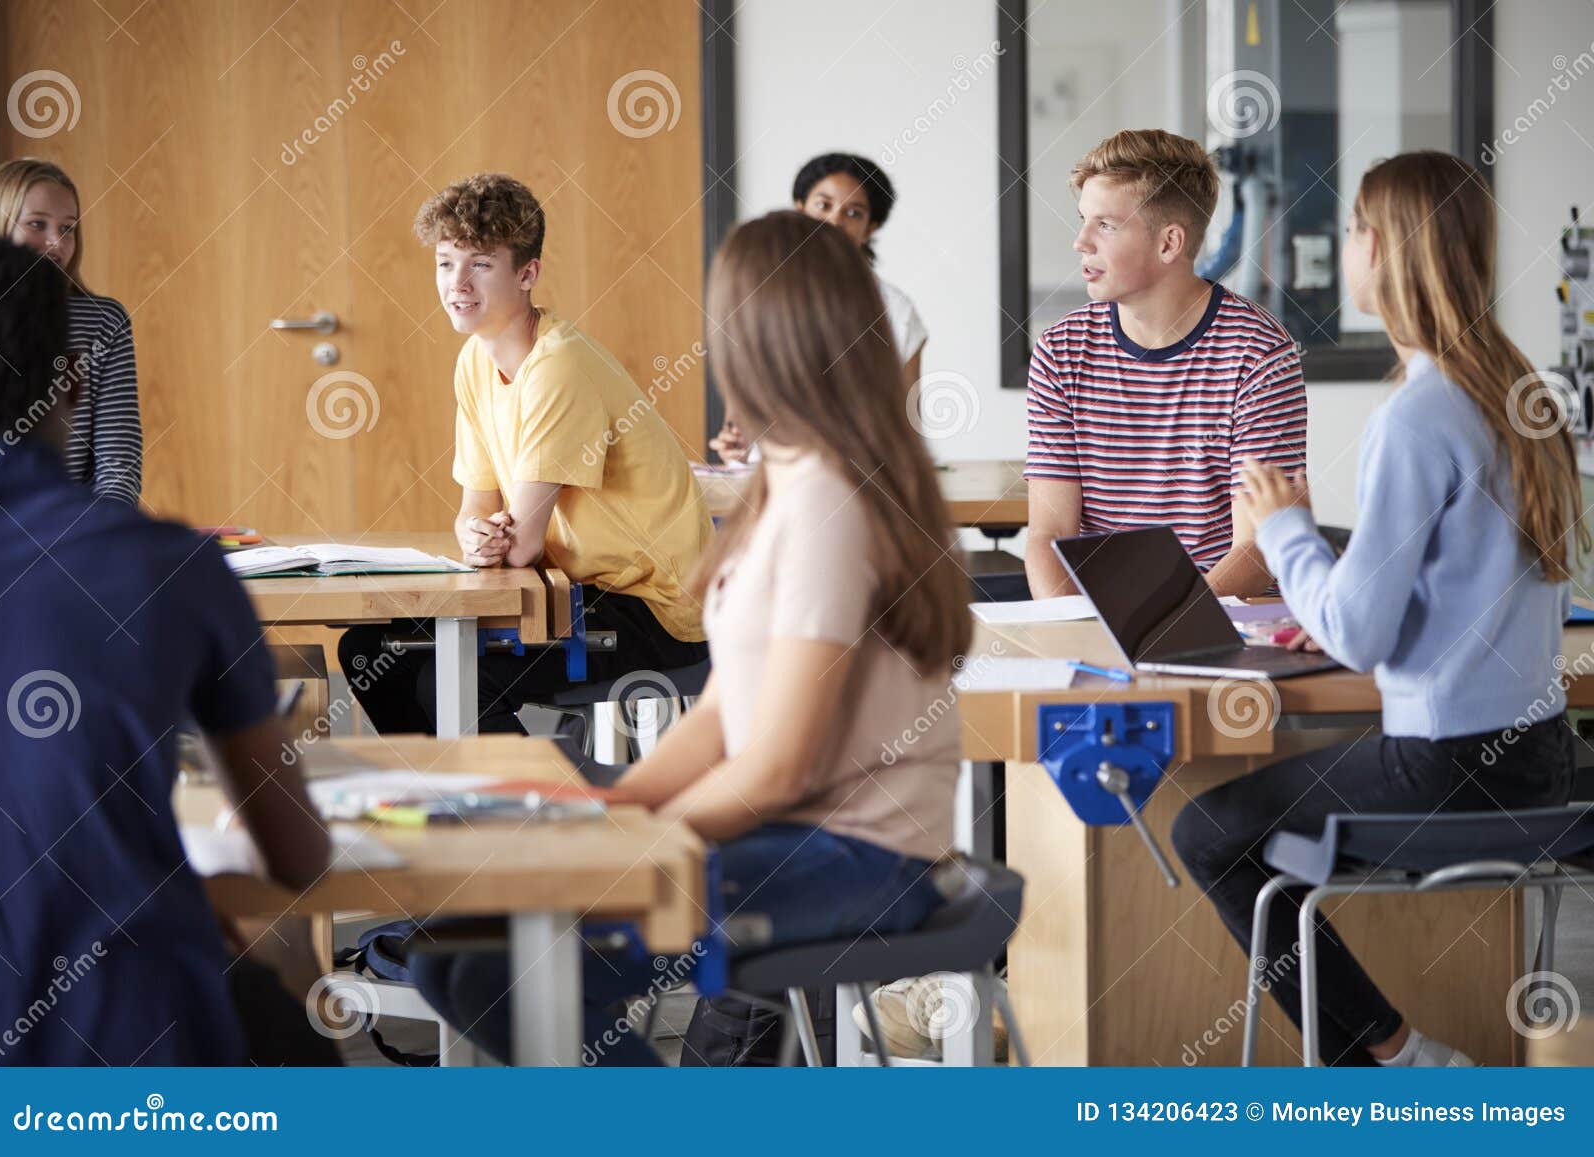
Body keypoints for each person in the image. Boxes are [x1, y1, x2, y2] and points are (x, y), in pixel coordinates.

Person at [412, 210, 969, 1064]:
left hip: (857, 852)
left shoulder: (829, 499)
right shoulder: (788, 474)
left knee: (496, 965)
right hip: (797, 834)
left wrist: (642, 834)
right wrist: (616, 805)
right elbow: (721, 711)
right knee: (456, 952)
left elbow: (779, 766)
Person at [1172, 151, 1585, 1067]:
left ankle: (1399, 1063)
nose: (1346, 243)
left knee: (1204, 832)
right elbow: (1424, 603)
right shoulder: (1519, 396)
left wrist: (1283, 532)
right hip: (1543, 764)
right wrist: (1320, 584)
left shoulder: (1415, 416)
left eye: (1357, 226)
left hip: (1444, 773)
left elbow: (1358, 633)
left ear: (1396, 251)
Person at [0, 238, 331, 1065]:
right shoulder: (171, 565)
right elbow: (296, 856)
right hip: (132, 1044)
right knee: (293, 1037)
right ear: (74, 380)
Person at [338, 173, 712, 735]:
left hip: (653, 610)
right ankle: (444, 804)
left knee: (447, 680)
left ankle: (528, 814)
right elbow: (476, 509)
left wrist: (494, 544)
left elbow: (522, 548)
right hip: (571, 589)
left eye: (481, 264)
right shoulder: (474, 360)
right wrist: (473, 535)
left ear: (528, 273)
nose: (457, 283)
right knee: (367, 650)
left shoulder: (557, 366)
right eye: (445, 262)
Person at [1023, 129, 1306, 599]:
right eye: (1083, 220)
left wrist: (1164, 628)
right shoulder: (1060, 350)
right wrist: (1072, 630)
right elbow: (1048, 535)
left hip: (1226, 617)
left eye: (1106, 226)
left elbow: (1256, 549)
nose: (1081, 242)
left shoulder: (1258, 352)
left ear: (1169, 243)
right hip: (1108, 621)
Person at [710, 153, 926, 463]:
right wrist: (737, 444)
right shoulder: (761, 296)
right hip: (772, 478)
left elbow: (907, 430)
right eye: (823, 205)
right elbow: (740, 421)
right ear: (799, 210)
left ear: (870, 228)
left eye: (853, 212)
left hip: (862, 481)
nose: (835, 221)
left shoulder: (896, 312)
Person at [0, 158, 143, 504]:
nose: (55, 244)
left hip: (72, 535)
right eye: (37, 224)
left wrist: (94, 539)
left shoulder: (105, 320)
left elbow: (118, 464)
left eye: (67, 228)